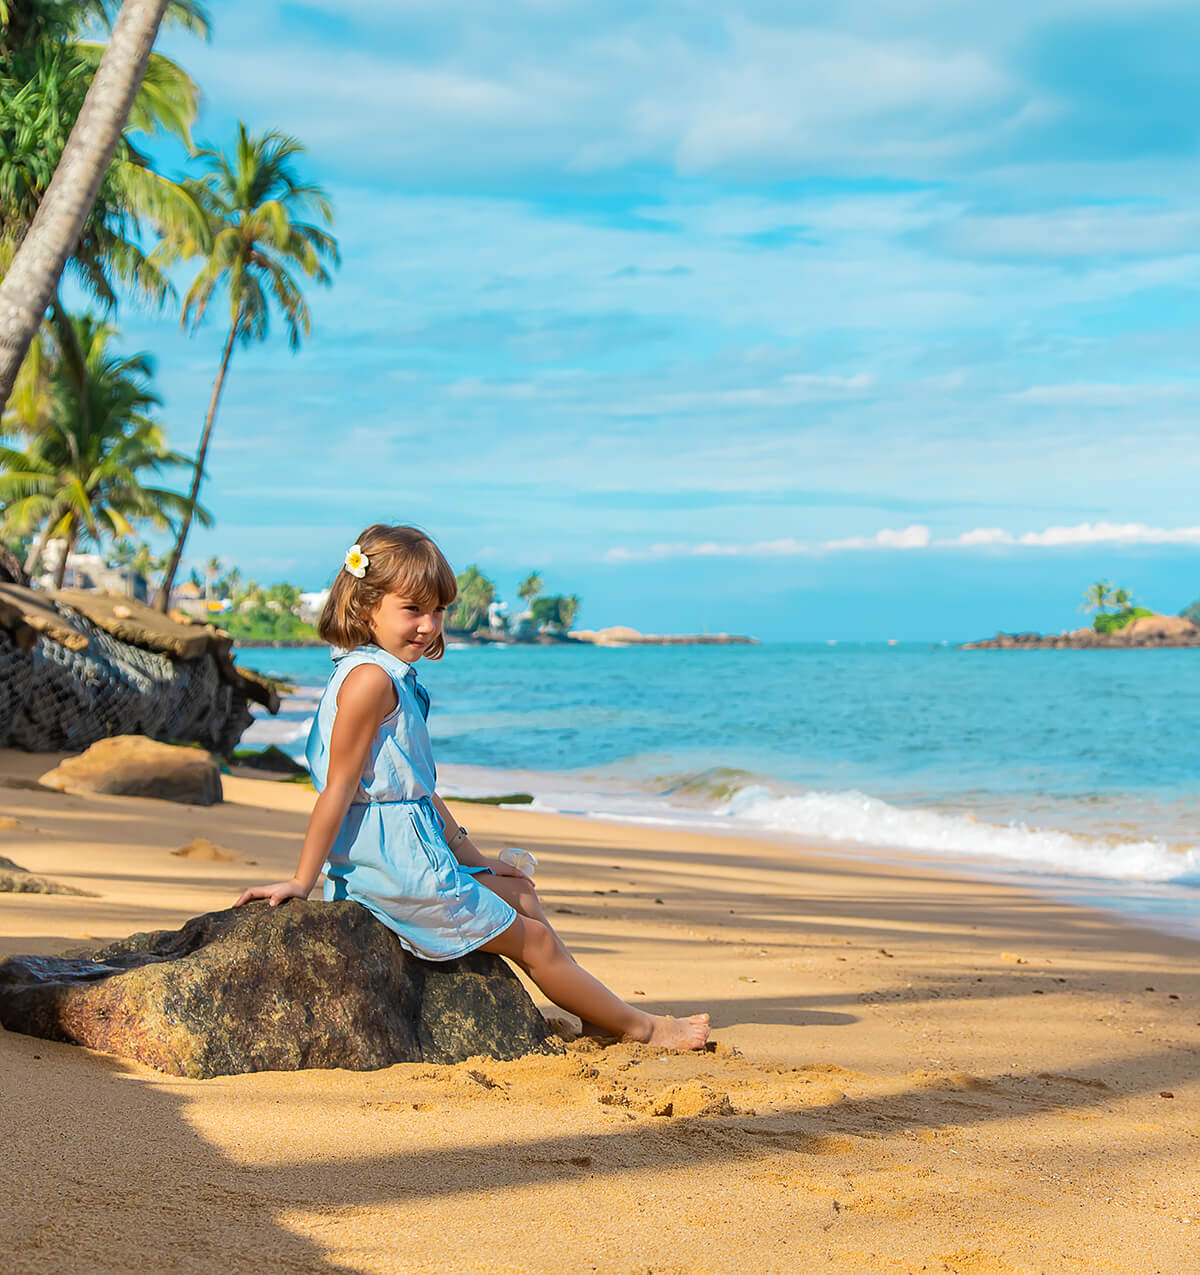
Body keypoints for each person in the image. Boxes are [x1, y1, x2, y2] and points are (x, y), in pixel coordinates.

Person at [235, 524, 710, 1051]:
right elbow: (338, 790)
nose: (428, 625)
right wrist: (303, 882)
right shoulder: (370, 682)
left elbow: (416, 789)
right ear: (367, 606)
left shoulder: (391, 677)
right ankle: (642, 1027)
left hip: (415, 856)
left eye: (437, 611)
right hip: (397, 873)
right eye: (412, 610)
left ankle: (599, 1014)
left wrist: (475, 857)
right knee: (535, 944)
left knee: (522, 894)